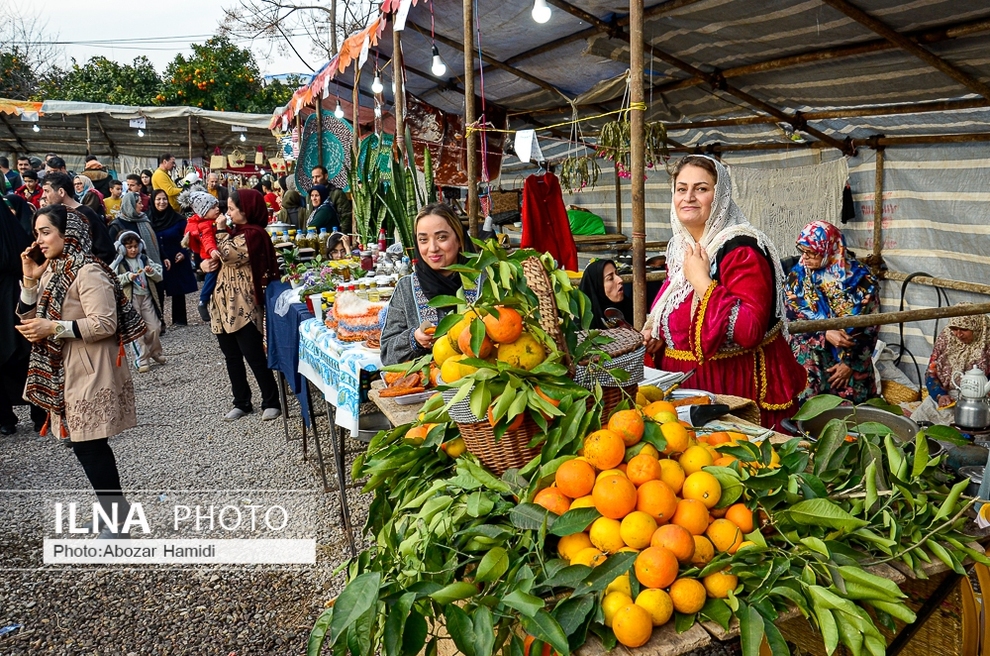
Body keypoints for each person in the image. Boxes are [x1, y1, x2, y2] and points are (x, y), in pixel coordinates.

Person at [641, 155, 806, 430]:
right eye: (682, 189)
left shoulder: (742, 249)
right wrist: (660, 335)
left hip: (733, 390)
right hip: (690, 392)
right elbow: (676, 314)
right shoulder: (681, 246)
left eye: (701, 189)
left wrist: (702, 281)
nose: (689, 197)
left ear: (721, 197)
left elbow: (750, 330)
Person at [16, 205, 145, 539]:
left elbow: (105, 323)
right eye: (36, 233)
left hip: (90, 367)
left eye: (46, 232)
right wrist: (30, 280)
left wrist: (54, 327)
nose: (39, 240)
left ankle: (118, 520)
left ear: (67, 232)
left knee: (89, 443)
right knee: (83, 444)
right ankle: (112, 513)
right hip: (65, 368)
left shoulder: (88, 271)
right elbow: (29, 317)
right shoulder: (54, 269)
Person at [202, 188, 281, 421]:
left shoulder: (253, 234)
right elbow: (214, 256)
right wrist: (206, 263)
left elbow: (226, 254)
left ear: (246, 211)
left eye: (232, 209)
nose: (227, 213)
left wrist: (218, 230)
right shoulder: (236, 231)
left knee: (253, 353)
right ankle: (241, 401)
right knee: (231, 355)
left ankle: (271, 400)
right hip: (222, 302)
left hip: (243, 303)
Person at [785, 221, 879, 403]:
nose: (805, 258)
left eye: (812, 253)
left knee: (853, 422)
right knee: (811, 421)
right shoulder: (797, 279)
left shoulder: (862, 281)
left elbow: (871, 328)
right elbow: (790, 321)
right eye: (803, 251)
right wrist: (824, 332)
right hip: (812, 367)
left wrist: (851, 364)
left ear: (830, 249)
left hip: (850, 367)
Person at [381, 203, 477, 366]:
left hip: (483, 384)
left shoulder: (484, 281)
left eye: (442, 237)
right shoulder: (407, 288)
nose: (432, 248)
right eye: (423, 240)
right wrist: (414, 339)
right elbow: (387, 354)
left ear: (459, 239)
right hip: (428, 387)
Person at [0, 196, 47, 435]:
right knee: (23, 353)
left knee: (25, 352)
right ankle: (32, 414)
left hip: (12, 295)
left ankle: (24, 415)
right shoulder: (10, 226)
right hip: (12, 294)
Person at [911, 313, 990, 425]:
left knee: (967, 428)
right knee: (916, 421)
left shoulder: (987, 344)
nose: (958, 334)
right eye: (954, 329)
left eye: (964, 329)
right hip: (947, 396)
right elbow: (931, 373)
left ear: (976, 327)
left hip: (978, 402)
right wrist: (940, 395)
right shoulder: (947, 338)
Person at [112, 231, 164, 372]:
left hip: (146, 296)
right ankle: (141, 359)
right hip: (130, 299)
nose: (133, 250)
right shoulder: (119, 263)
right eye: (129, 247)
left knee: (155, 327)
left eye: (135, 246)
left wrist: (151, 271)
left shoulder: (144, 259)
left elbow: (159, 276)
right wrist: (128, 277)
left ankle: (154, 352)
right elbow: (110, 279)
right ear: (122, 248)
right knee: (137, 330)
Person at [42, 172, 115, 264]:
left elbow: (106, 251)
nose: (43, 196)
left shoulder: (86, 214)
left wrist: (86, 269)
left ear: (61, 192)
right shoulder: (53, 215)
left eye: (47, 191)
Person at [149, 189, 196, 327]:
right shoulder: (148, 219)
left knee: (178, 289)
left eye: (164, 199)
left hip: (176, 257)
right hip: (156, 259)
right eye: (158, 199)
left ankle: (180, 320)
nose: (162, 202)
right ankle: (160, 321)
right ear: (153, 201)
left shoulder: (177, 219)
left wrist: (183, 252)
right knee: (158, 290)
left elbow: (187, 238)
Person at [183, 191, 222, 322]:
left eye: (217, 206)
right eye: (213, 207)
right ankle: (203, 301)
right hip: (211, 256)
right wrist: (212, 251)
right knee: (211, 278)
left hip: (214, 254)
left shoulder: (212, 221)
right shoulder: (205, 225)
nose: (217, 209)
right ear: (203, 211)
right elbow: (207, 240)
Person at [108, 192, 162, 269]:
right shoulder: (116, 225)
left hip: (148, 264)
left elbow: (154, 240)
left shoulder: (144, 220)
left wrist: (164, 257)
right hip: (128, 268)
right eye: (139, 203)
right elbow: (112, 250)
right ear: (131, 205)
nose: (142, 206)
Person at [579, 259, 633, 330]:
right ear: (598, 287)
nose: (620, 280)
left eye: (617, 274)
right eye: (610, 278)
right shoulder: (585, 326)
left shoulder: (628, 308)